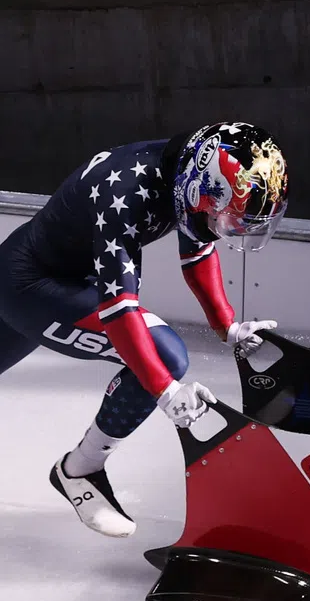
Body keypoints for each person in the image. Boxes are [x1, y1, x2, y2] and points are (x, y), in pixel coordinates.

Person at [0, 122, 289, 538]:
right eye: (227, 218)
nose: (231, 231)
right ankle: (79, 470)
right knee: (166, 356)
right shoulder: (126, 192)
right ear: (200, 191)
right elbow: (119, 310)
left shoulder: (182, 174)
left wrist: (228, 326)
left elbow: (197, 253)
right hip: (33, 287)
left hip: (42, 274)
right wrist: (166, 392)